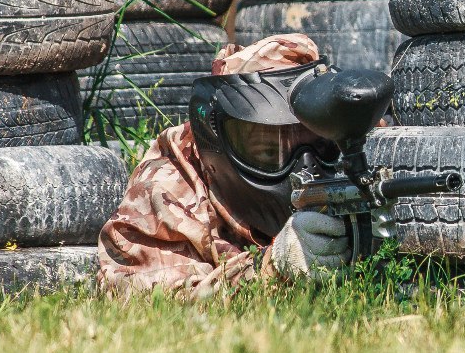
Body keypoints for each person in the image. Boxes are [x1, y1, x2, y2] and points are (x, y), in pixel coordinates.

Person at [96, 33, 353, 296]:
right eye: (270, 149)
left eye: (320, 143)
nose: (305, 167)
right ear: (217, 142)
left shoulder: (353, 151)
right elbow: (147, 298)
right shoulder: (166, 188)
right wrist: (271, 267)